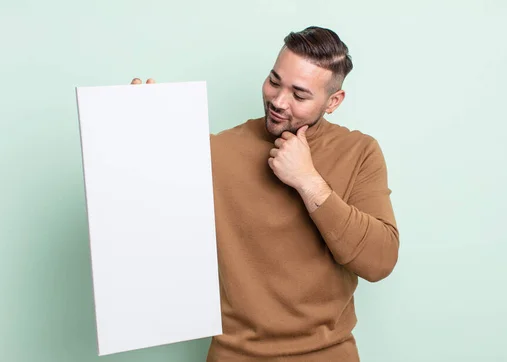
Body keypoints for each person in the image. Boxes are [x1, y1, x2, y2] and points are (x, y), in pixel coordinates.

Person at [131, 26, 399, 362]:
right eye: (274, 81)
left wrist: (307, 180)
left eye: (299, 95)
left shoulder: (359, 152)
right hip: (233, 355)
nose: (278, 101)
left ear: (333, 101)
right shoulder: (215, 151)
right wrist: (135, 124)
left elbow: (380, 261)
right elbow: (142, 221)